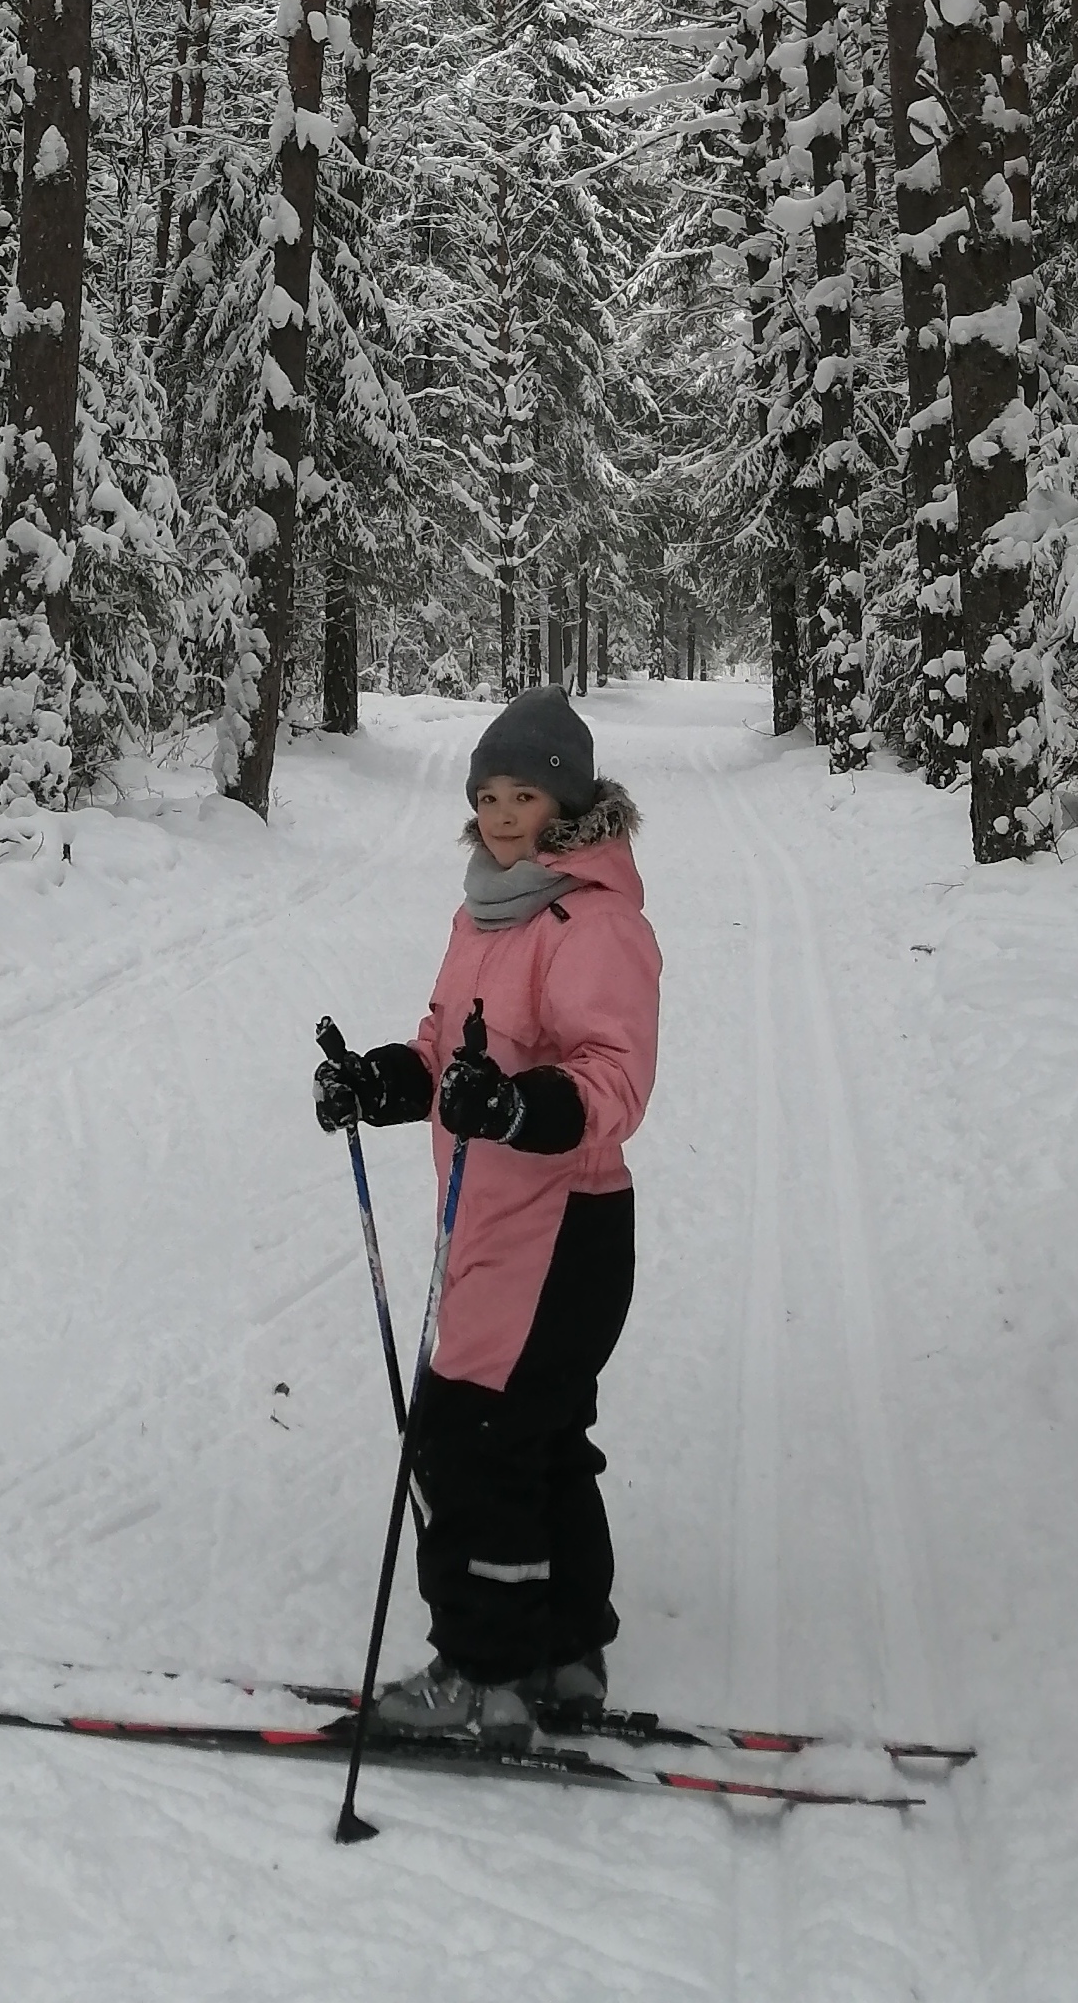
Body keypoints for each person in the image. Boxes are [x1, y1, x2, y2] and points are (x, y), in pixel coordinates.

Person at [315, 686, 661, 1748]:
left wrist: (518, 1103)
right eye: (489, 794)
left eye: (527, 792)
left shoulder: (596, 921)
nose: (505, 813)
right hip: (497, 1227)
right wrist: (381, 1082)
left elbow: (614, 1077)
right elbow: (444, 1050)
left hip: (563, 1227)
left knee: (469, 1441)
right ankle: (562, 1647)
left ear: (569, 799)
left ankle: (484, 1666)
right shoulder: (484, 910)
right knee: (541, 1437)